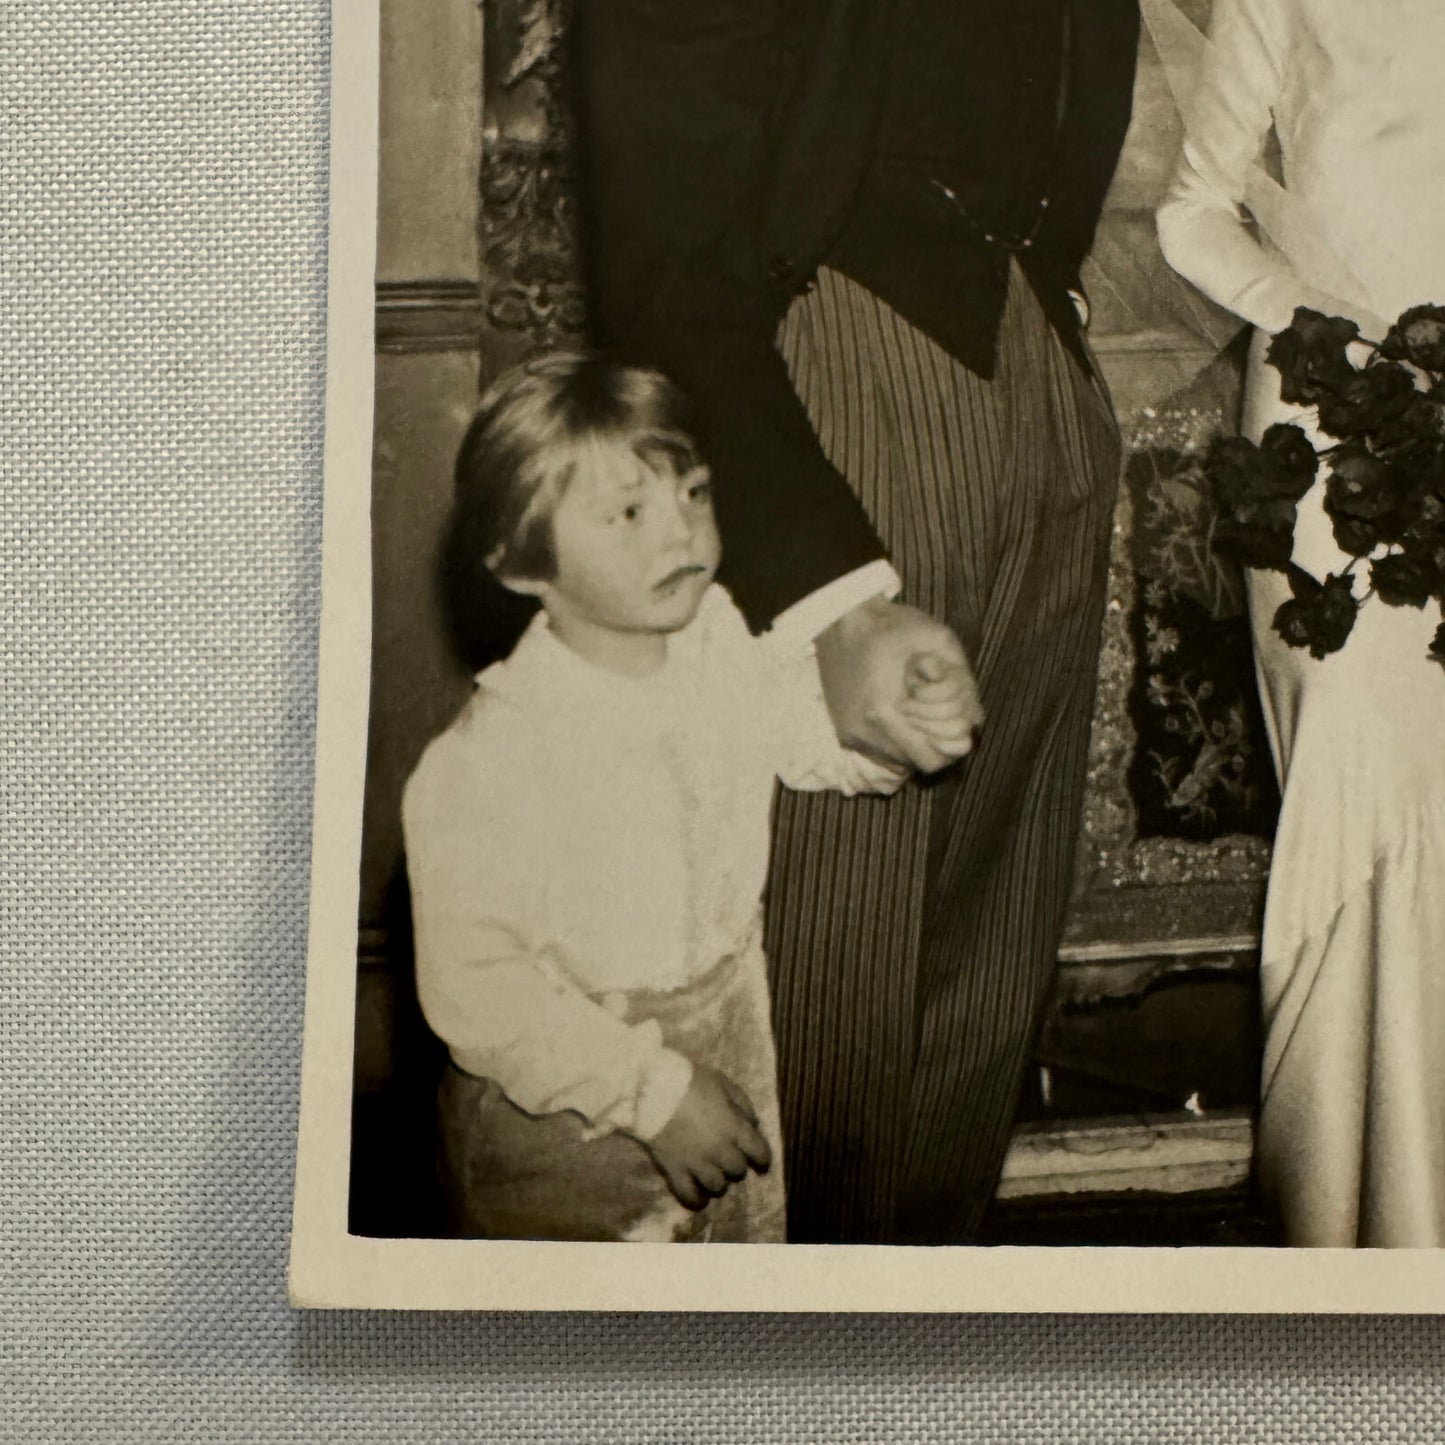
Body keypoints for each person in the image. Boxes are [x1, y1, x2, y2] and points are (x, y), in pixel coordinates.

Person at [572, 1, 1140, 1241]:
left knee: (975, 1002)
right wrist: (826, 594)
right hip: (831, 392)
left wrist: (1051, 338)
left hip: (1031, 364)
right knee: (822, 1020)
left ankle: (903, 1354)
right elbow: (664, 237)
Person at [402, 355, 970, 1242]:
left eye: (694, 494)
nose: (681, 537)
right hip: (568, 1107)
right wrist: (652, 1095)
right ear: (520, 560)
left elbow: (804, 739)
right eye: (628, 513)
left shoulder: (718, 639)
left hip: (728, 1036)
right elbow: (482, 993)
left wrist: (890, 735)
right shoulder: (491, 760)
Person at [1157, 0, 1445, 1246]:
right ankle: (1363, 1242)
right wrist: (1342, 338)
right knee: (1365, 797)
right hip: (1339, 438)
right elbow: (1191, 210)